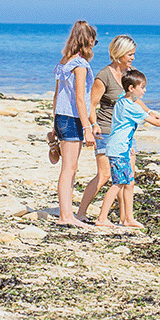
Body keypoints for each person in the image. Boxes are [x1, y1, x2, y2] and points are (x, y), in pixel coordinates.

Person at [95, 69, 160, 230]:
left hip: (122, 146)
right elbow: (157, 123)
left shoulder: (122, 100)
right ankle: (102, 218)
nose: (145, 90)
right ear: (131, 88)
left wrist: (128, 145)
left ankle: (128, 218)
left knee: (128, 181)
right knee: (118, 184)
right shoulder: (131, 108)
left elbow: (124, 123)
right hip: (118, 148)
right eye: (142, 87)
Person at [76, 34, 137, 222]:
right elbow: (91, 105)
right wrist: (92, 126)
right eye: (130, 54)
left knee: (129, 178)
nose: (133, 58)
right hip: (105, 130)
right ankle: (81, 213)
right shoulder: (104, 76)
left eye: (133, 54)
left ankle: (126, 218)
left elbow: (134, 103)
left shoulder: (131, 74)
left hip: (125, 133)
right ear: (119, 54)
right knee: (104, 175)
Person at [51, 20, 98, 225]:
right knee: (69, 168)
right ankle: (65, 216)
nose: (94, 45)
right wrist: (87, 127)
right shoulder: (79, 65)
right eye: (94, 42)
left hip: (62, 116)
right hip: (72, 118)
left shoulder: (64, 61)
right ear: (88, 40)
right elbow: (80, 98)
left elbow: (56, 95)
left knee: (71, 167)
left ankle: (67, 213)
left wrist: (54, 122)